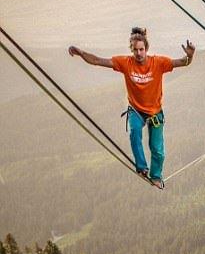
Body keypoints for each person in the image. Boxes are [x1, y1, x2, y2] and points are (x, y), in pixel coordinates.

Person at [68, 26, 195, 188]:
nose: (139, 53)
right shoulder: (126, 63)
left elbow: (182, 63)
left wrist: (190, 56)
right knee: (135, 132)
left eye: (142, 49)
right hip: (136, 110)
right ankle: (142, 167)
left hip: (155, 112)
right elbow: (99, 61)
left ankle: (156, 176)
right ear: (132, 50)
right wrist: (81, 53)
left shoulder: (158, 63)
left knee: (157, 150)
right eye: (136, 50)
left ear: (146, 49)